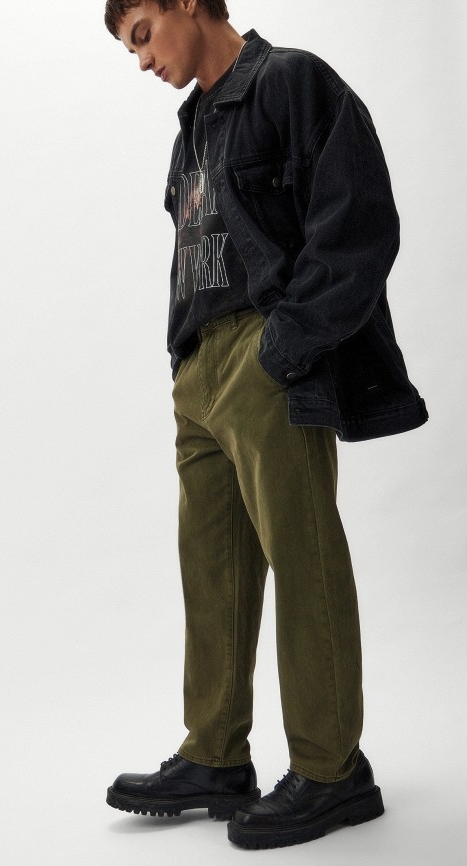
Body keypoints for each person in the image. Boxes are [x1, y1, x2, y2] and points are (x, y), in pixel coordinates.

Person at [103, 0, 428, 850]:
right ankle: (215, 755)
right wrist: (186, 363)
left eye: (142, 35)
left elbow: (359, 221)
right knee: (211, 569)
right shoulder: (191, 132)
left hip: (266, 354)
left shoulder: (290, 83)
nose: (141, 62)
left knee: (303, 552)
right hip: (200, 370)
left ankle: (332, 769)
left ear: (185, 2)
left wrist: (281, 348)